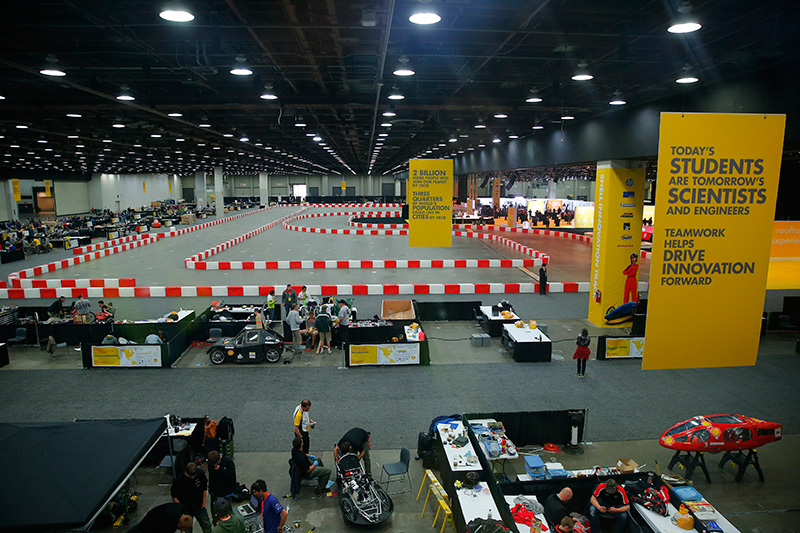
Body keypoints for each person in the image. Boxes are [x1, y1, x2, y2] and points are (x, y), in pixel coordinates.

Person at [171, 462, 212, 533]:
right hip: (186, 509)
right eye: (191, 476)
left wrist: (203, 503)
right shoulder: (178, 480)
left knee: (207, 526)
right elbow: (174, 496)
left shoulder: (200, 474)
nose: (193, 478)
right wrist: (181, 508)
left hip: (199, 507)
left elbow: (204, 488)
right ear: (186, 473)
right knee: (187, 530)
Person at [128, 502, 193, 533]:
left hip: (152, 515)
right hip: (147, 527)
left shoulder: (181, 506)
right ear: (179, 524)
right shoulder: (169, 526)